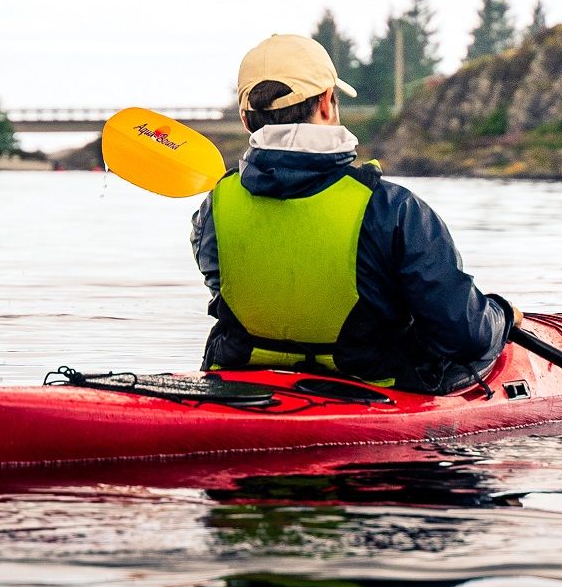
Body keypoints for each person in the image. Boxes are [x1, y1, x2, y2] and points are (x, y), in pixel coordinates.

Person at [191, 33, 511, 391]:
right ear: (327, 103)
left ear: (245, 119)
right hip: (371, 388)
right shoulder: (393, 209)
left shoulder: (214, 207)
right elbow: (465, 337)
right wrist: (503, 315)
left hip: (238, 382)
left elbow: (224, 288)